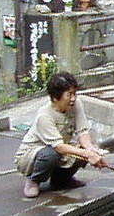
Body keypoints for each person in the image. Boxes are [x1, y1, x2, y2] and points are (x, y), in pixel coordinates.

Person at [17, 70, 107, 199]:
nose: (73, 98)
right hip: (34, 155)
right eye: (69, 95)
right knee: (51, 153)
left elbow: (82, 131)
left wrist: (91, 150)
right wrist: (87, 154)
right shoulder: (44, 116)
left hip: (61, 149)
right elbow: (58, 146)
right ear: (55, 97)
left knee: (83, 150)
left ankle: (61, 180)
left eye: (74, 94)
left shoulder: (76, 104)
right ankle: (34, 180)